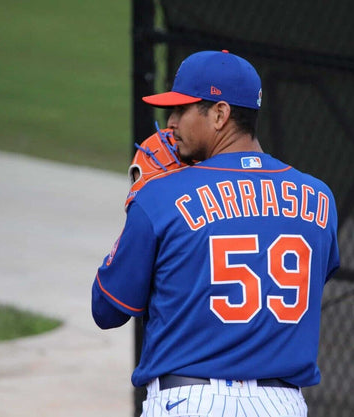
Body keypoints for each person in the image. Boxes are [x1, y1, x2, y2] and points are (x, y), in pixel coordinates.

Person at [92, 50, 340, 416]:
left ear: (220, 114)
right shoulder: (319, 198)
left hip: (190, 402)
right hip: (281, 406)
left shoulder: (161, 197)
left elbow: (107, 309)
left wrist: (137, 205)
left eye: (182, 109)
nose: (170, 122)